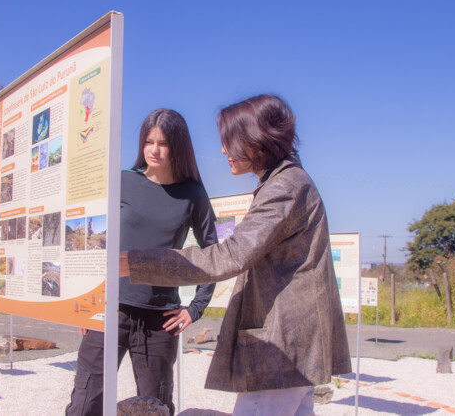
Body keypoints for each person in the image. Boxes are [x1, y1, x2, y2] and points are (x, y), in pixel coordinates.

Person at [120, 94, 352, 415]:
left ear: (257, 141)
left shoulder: (283, 187)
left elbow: (231, 254)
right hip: (296, 348)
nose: (223, 150)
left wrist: (138, 263)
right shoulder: (287, 182)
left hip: (283, 349)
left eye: (230, 141)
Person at [66, 109, 217, 416]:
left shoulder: (193, 195)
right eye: (149, 141)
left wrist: (195, 308)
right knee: (84, 405)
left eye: (163, 143)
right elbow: (92, 243)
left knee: (154, 409)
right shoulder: (123, 182)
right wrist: (85, 303)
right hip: (110, 310)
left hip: (160, 320)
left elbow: (212, 253)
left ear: (179, 146)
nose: (154, 150)